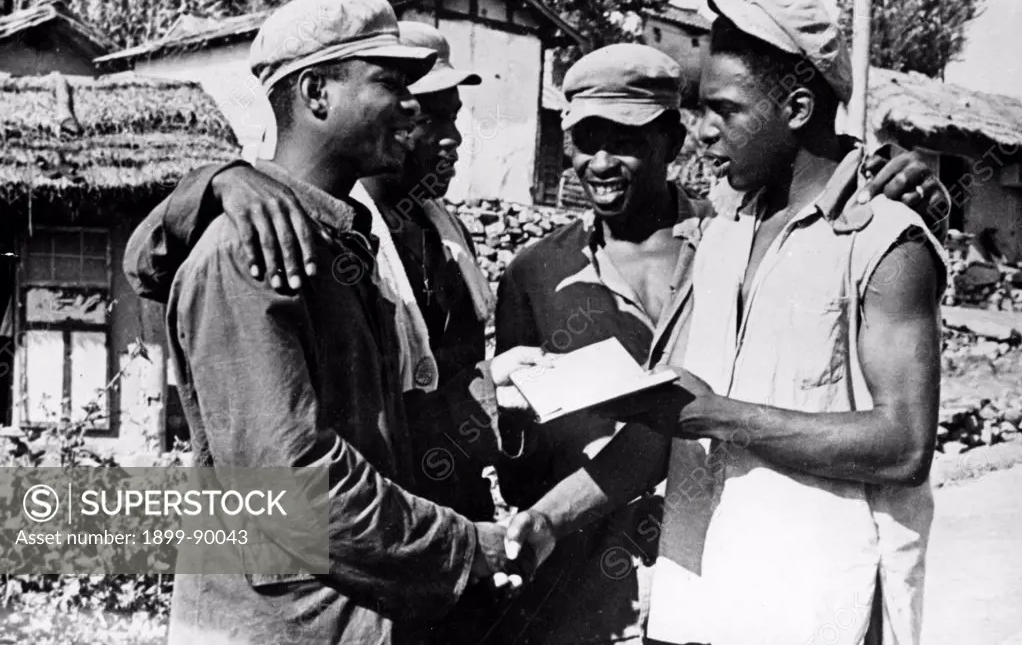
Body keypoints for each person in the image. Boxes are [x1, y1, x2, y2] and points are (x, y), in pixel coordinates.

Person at [131, 41, 949, 645]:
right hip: (420, 595)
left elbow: (876, 433)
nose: (419, 117)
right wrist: (221, 180)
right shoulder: (284, 235)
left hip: (779, 598)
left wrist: (891, 178)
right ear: (313, 94)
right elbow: (292, 463)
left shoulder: (735, 236)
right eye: (397, 89)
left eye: (710, 116)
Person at [507, 0, 945, 645]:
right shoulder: (721, 234)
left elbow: (905, 444)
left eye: (725, 110)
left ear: (797, 108)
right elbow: (665, 423)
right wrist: (547, 518)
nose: (704, 130)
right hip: (698, 605)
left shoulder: (885, 240)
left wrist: (721, 416)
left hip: (816, 611)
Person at [148, 0, 539, 645]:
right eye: (389, 82)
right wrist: (475, 547)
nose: (411, 106)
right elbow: (296, 483)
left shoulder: (338, 243)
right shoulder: (247, 252)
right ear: (316, 93)